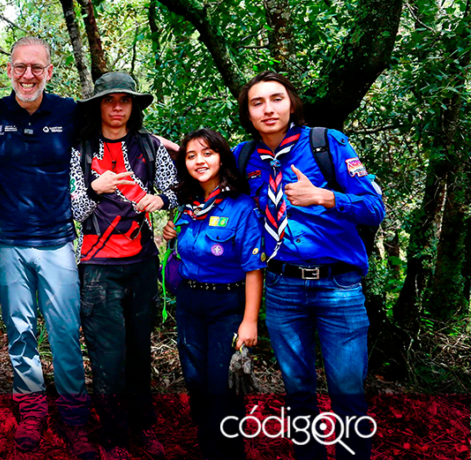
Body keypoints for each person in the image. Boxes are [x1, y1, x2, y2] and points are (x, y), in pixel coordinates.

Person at [234, 71, 384, 460]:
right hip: (282, 290)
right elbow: (207, 181)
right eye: (257, 103)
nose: (268, 108)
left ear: (292, 104)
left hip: (339, 288)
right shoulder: (245, 157)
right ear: (248, 114)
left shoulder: (326, 143)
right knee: (298, 394)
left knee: (347, 395)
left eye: (276, 98)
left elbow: (373, 209)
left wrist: (324, 197)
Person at [0, 36, 94, 459]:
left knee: (64, 330)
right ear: (8, 70)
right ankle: (30, 409)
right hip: (6, 240)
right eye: (20, 67)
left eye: (36, 67)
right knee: (20, 330)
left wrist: (168, 148)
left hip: (57, 240)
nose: (28, 75)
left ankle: (75, 416)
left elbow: (116, 129)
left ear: (49, 71)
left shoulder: (70, 112)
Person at [67, 71, 176, 460]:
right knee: (106, 353)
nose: (117, 107)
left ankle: (142, 428)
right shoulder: (79, 149)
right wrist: (95, 190)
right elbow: (74, 209)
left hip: (143, 263)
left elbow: (174, 189)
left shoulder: (150, 146)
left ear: (133, 106)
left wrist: (161, 201)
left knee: (139, 349)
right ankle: (112, 434)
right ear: (98, 105)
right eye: (110, 100)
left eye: (125, 100)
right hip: (97, 266)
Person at [160, 128, 264, 460]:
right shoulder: (187, 205)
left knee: (223, 388)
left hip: (227, 305)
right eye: (191, 156)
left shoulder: (241, 206)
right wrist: (170, 235)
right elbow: (184, 250)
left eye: (207, 153)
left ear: (221, 157)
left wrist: (249, 321)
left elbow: (253, 268)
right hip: (190, 303)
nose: (199, 161)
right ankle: (209, 449)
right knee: (196, 383)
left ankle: (230, 453)